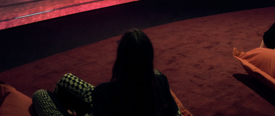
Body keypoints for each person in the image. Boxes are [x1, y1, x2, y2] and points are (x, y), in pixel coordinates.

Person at [32, 29, 180, 116]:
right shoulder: (160, 81)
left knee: (40, 95)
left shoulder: (104, 93)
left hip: (107, 104)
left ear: (121, 59)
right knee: (66, 79)